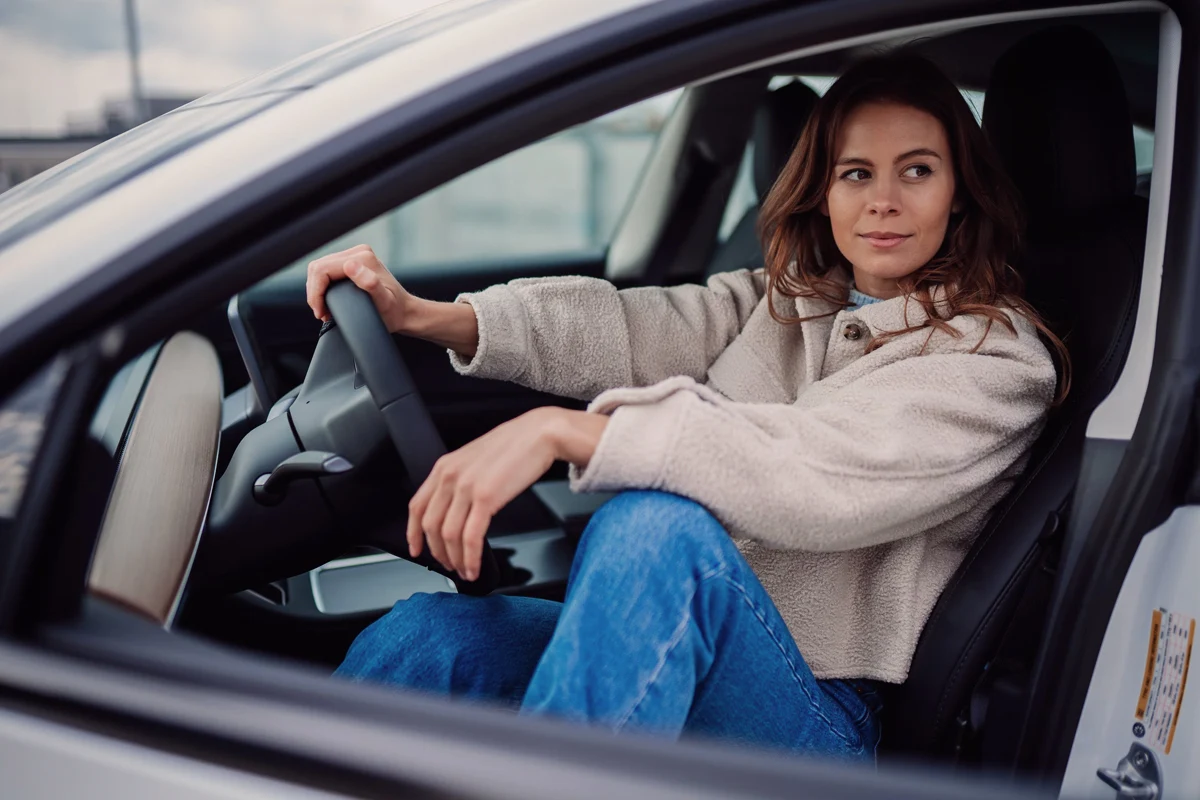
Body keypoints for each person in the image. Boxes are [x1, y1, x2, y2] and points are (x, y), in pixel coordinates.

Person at [305, 54, 1065, 761]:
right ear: (824, 192)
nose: (883, 201)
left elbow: (812, 465)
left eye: (918, 171)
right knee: (430, 638)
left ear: (958, 193)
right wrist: (424, 316)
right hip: (695, 639)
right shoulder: (794, 302)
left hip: (824, 715)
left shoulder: (997, 362)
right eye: (856, 173)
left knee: (654, 531)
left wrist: (564, 430)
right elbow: (632, 327)